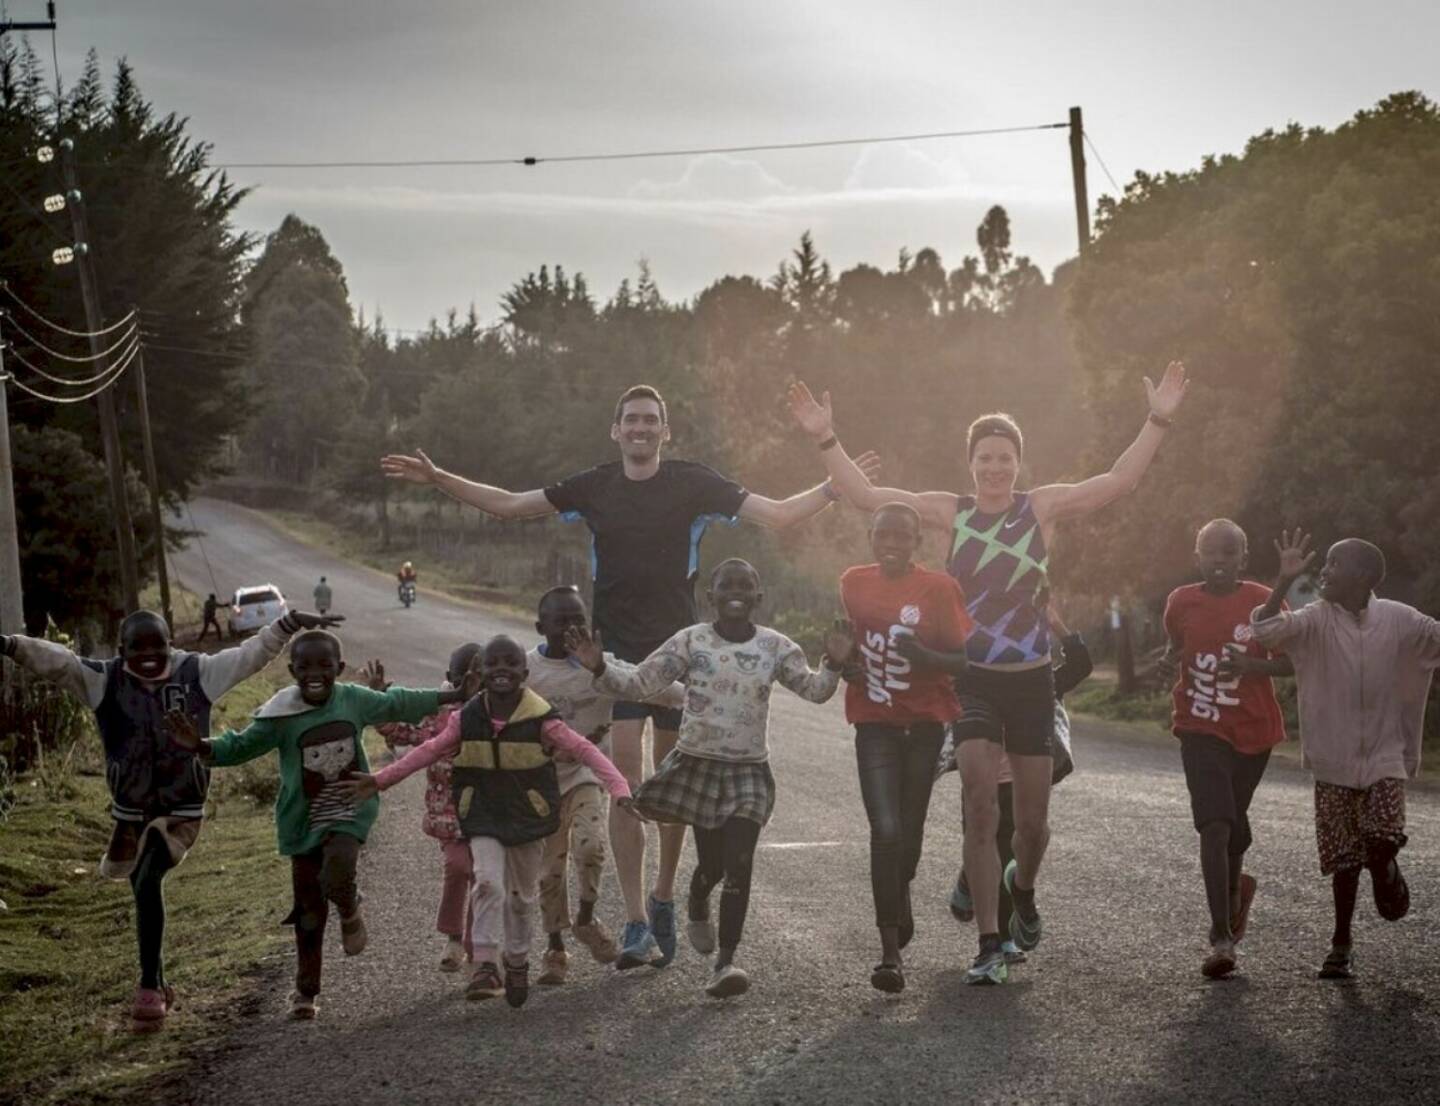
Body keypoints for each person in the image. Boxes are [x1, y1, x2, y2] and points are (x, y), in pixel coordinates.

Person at [381, 384, 878, 969]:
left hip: (679, 654)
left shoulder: (693, 482)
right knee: (625, 789)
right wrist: (441, 478)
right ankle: (638, 921)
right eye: (631, 420)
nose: (641, 429)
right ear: (616, 431)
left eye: (651, 421)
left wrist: (831, 486)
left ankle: (665, 895)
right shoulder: (595, 486)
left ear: (665, 433)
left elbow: (773, 515)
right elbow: (511, 505)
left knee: (674, 791)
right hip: (612, 659)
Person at [789, 361, 1189, 983]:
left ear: (1018, 463)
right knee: (980, 809)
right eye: (985, 458)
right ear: (971, 463)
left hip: (1032, 681)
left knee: (1032, 827)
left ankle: (1022, 889)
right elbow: (869, 498)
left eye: (1005, 458)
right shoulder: (953, 513)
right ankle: (989, 941)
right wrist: (823, 437)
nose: (995, 468)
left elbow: (1118, 481)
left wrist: (1158, 418)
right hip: (972, 681)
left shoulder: (1043, 507)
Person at [0, 606, 336, 1031]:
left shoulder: (197, 674)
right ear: (121, 651)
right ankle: (157, 981)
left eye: (156, 647)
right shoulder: (104, 679)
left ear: (169, 645)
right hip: (130, 815)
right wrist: (11, 645)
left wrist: (288, 624)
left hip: (181, 810)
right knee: (142, 883)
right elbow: (57, 661)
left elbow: (250, 655)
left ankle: (147, 988)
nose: (147, 656)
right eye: (136, 649)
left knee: (146, 876)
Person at [567, 558, 855, 999]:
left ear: (759, 597)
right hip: (699, 766)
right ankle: (698, 897)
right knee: (714, 866)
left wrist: (833, 662)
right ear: (710, 596)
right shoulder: (690, 641)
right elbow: (642, 683)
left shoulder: (776, 647)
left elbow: (815, 691)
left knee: (740, 861)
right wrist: (598, 667)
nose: (735, 591)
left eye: (745, 585)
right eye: (726, 585)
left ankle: (726, 962)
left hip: (748, 771)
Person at [166, 631, 470, 1021]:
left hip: (348, 810)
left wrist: (451, 695)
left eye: (324, 666)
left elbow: (398, 702)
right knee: (308, 911)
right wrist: (201, 746)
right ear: (292, 670)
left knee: (339, 869)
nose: (314, 674)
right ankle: (305, 992)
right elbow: (242, 745)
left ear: (338, 670)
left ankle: (348, 906)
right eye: (304, 666)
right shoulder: (280, 714)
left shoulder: (352, 699)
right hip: (303, 822)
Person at [341, 636, 637, 1009]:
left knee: (520, 897)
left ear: (524, 674)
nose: (501, 670)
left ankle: (516, 960)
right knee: (487, 881)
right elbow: (427, 751)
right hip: (481, 814)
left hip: (528, 818)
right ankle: (484, 963)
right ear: (478, 675)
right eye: (491, 663)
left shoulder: (541, 717)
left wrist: (620, 788)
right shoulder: (467, 718)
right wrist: (380, 780)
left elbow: (585, 750)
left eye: (510, 664)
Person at [1250, 530, 1440, 980]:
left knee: (1382, 837)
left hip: (1386, 754)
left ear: (1363, 576)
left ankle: (1386, 868)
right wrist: (1282, 581)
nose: (1324, 571)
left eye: (1335, 564)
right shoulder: (1315, 619)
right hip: (1332, 761)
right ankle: (1341, 944)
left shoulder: (1398, 618)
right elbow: (1265, 630)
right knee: (1345, 862)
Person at [839, 503, 974, 993]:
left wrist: (923, 656)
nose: (892, 544)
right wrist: (845, 664)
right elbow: (848, 645)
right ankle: (889, 953)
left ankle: (901, 897)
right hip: (873, 722)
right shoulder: (853, 582)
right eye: (883, 536)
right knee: (886, 829)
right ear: (871, 537)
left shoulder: (939, 589)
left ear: (917, 542)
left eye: (902, 537)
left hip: (924, 726)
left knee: (910, 837)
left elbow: (960, 660)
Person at [526, 586, 685, 984]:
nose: (570, 629)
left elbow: (645, 686)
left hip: (586, 778)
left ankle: (584, 918)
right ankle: (555, 948)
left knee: (591, 848)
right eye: (560, 622)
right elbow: (488, 698)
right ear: (540, 626)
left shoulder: (603, 665)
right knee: (548, 872)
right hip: (539, 783)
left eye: (578, 621)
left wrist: (698, 695)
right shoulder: (528, 669)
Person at [1159, 519, 1290, 979]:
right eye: (1210, 552)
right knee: (1214, 824)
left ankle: (1236, 893)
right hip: (1198, 726)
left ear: (1243, 559)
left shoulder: (1261, 600)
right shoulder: (1181, 601)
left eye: (1228, 552)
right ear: (1197, 557)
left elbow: (1291, 661)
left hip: (1253, 732)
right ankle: (1220, 937)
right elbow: (1177, 644)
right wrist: (1169, 660)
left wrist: (1251, 664)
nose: (1219, 560)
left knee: (1232, 822)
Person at [943, 594, 1092, 973]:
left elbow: (1082, 663)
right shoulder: (975, 675)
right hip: (980, 772)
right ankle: (992, 935)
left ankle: (1000, 924)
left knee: (1013, 847)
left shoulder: (1041, 683)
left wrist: (1052, 621)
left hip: (1020, 778)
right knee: (980, 835)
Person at [372, 642, 483, 973]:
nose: (474, 685)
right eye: (466, 678)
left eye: (481, 677)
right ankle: (453, 935)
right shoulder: (439, 716)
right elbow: (401, 731)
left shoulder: (499, 712)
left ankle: (475, 943)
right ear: (451, 678)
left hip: (488, 813)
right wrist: (380, 702)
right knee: (459, 866)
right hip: (447, 813)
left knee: (484, 876)